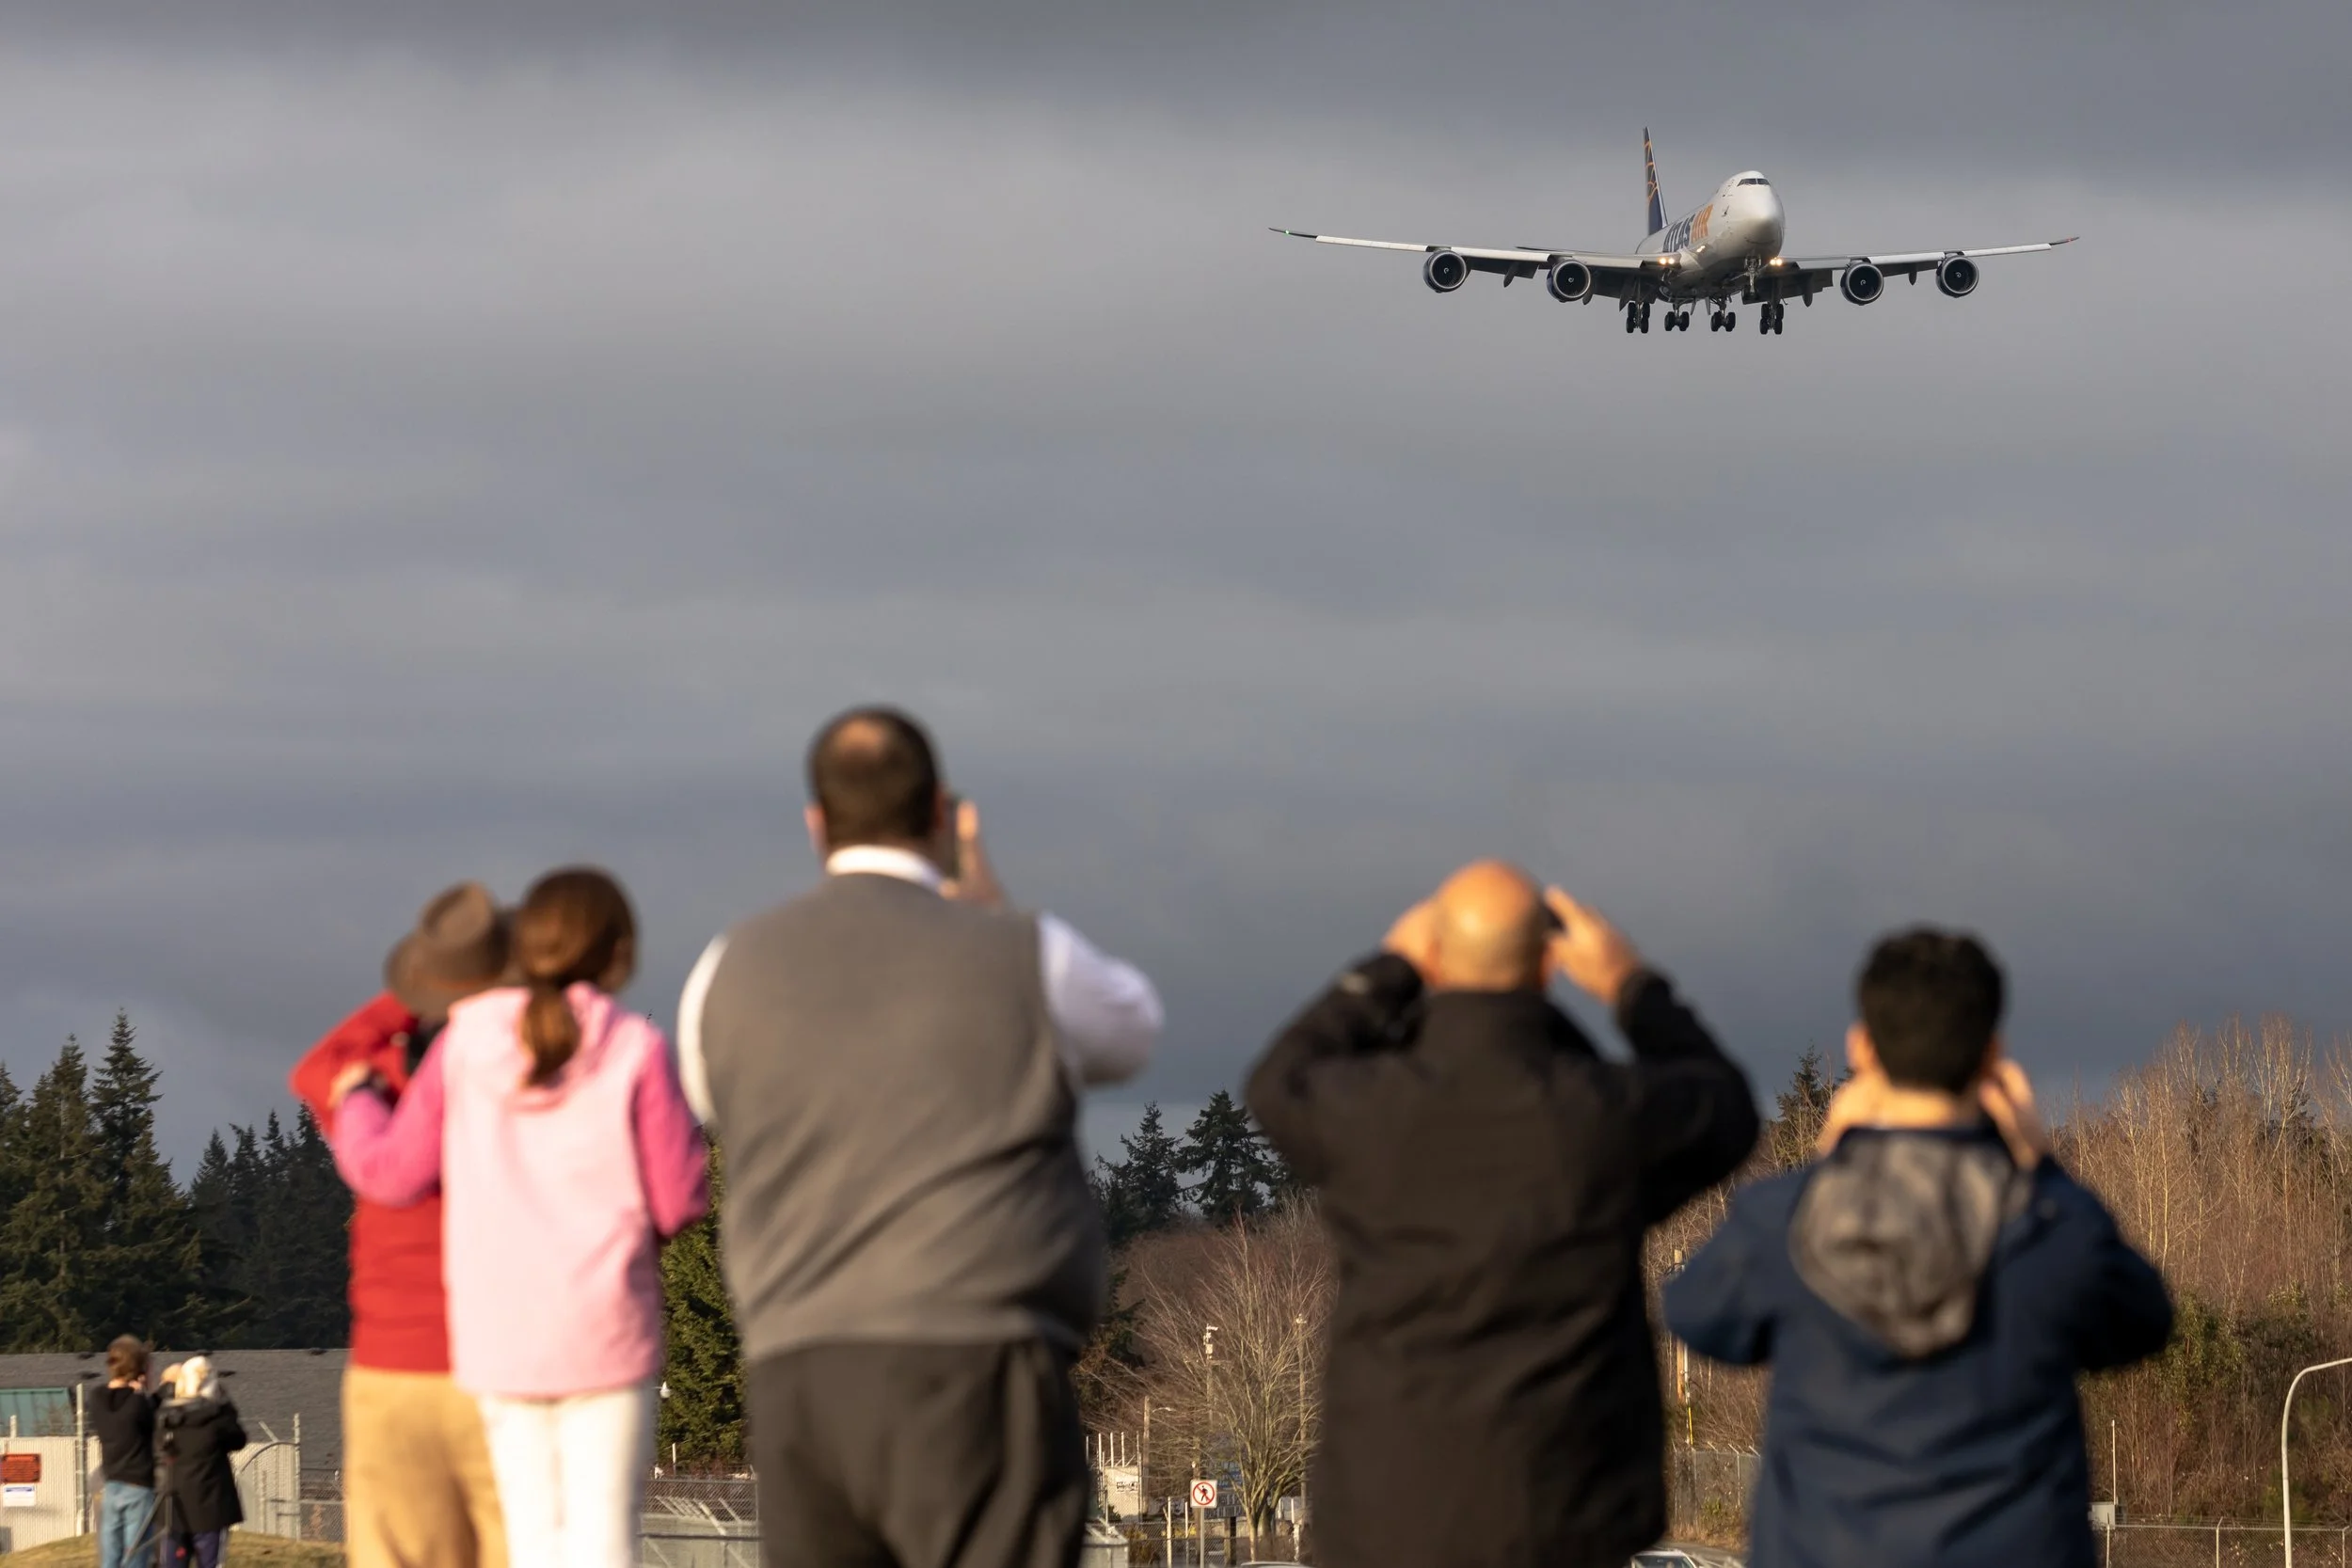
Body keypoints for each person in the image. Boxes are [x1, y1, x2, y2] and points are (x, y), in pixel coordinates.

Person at [676, 705, 1162, 1568]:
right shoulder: (1022, 953)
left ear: (816, 822)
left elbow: (715, 1098)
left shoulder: (726, 968)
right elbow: (1133, 1030)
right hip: (980, 1356)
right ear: (942, 814)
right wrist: (994, 911)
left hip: (805, 1366)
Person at [1246, 860, 1757, 1568]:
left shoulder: (1375, 1111)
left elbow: (1277, 1082)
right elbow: (1726, 1106)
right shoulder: (1603, 1115)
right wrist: (1630, 985)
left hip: (1390, 1509)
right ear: (1548, 968)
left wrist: (1385, 971)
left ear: (1437, 958)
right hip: (1569, 1507)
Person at [1663, 927, 2174, 1568]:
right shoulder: (2051, 1226)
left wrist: (1831, 1166)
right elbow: (2146, 1318)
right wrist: (2042, 1166)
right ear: (1993, 1055)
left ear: (1861, 1048)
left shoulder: (1784, 1222)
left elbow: (1695, 1314)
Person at [330, 866, 709, 1568]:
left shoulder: (466, 1043)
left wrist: (357, 1100)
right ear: (620, 953)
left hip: (498, 1337)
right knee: (601, 1541)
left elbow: (393, 1172)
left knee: (530, 1539)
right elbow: (681, 1197)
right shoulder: (633, 1046)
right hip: (607, 1331)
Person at [287, 880, 511, 1568]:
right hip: (509, 1363)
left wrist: (406, 1000)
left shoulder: (375, 1082)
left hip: (394, 1368)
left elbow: (315, 1066)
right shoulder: (523, 1075)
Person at [156, 1357, 245, 1568]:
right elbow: (238, 1439)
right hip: (210, 1508)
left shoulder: (167, 1417)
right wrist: (224, 1403)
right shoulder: (217, 1419)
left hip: (174, 1506)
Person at [91, 1335, 158, 1568]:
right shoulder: (140, 1403)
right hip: (139, 1486)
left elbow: (116, 1401)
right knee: (135, 1557)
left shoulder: (97, 1398)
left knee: (110, 1556)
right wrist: (143, 1391)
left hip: (111, 1485)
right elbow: (152, 1426)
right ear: (138, 1368)